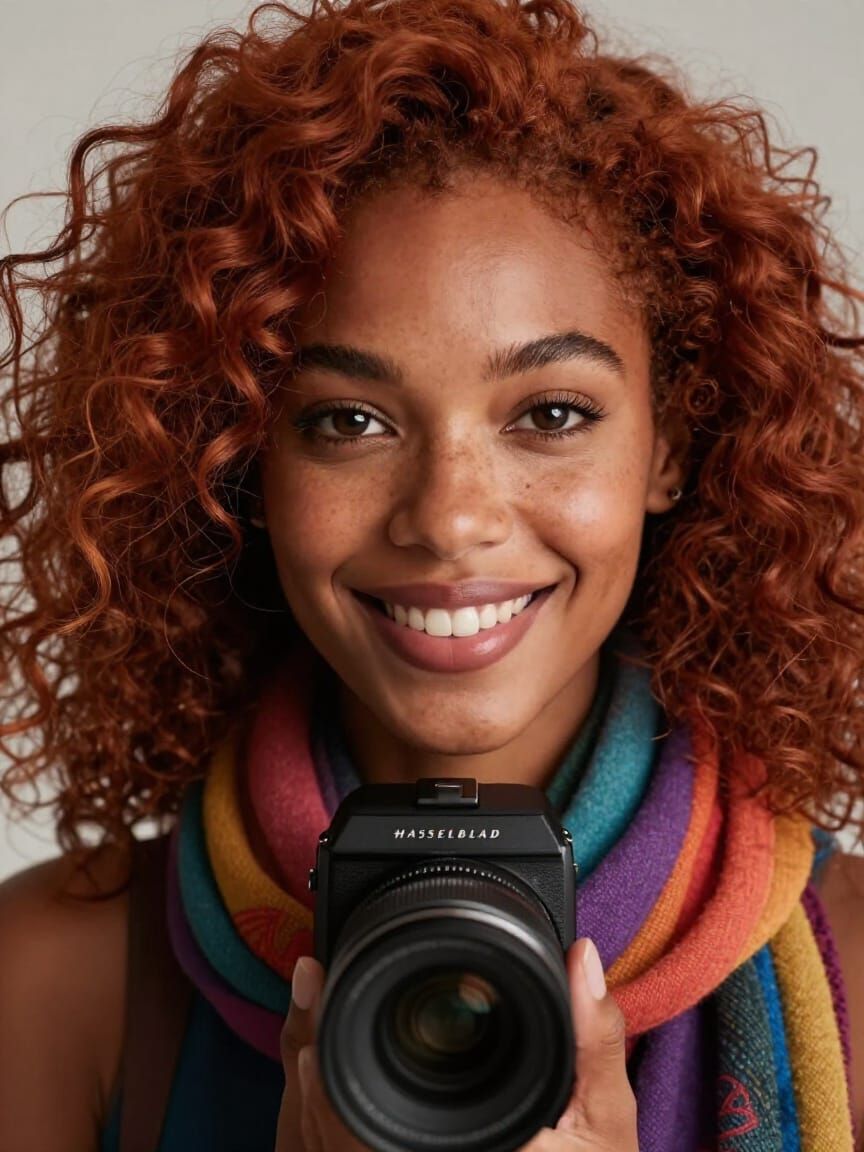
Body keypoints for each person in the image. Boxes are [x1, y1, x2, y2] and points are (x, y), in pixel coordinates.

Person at [0, 0, 861, 1148]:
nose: (451, 519)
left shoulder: (855, 967)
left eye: (552, 413)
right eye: (350, 420)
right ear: (238, 454)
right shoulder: (61, 983)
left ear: (671, 445)